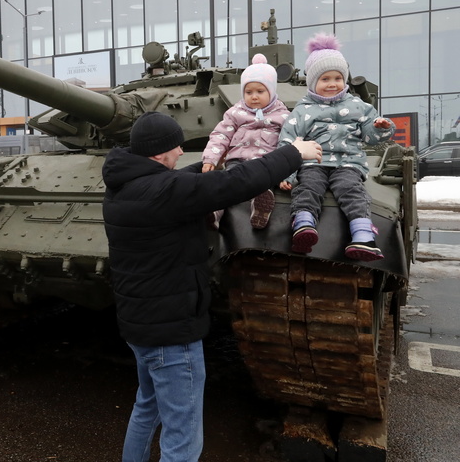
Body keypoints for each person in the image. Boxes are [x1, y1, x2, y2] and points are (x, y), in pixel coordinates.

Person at [102, 111, 322, 462]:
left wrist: (211, 165)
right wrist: (293, 153)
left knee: (147, 408)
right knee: (182, 437)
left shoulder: (124, 185)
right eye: (177, 147)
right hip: (171, 334)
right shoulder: (167, 191)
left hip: (141, 326)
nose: (180, 153)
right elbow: (234, 186)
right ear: (160, 152)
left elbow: (185, 183)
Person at [278, 33, 396, 261]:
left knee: (353, 192)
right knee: (308, 188)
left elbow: (371, 137)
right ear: (313, 82)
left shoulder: (357, 105)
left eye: (337, 78)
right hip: (314, 161)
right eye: (325, 79)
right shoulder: (303, 110)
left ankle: (363, 236)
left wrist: (380, 127)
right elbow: (289, 140)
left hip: (348, 163)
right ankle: (304, 225)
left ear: (345, 80)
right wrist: (288, 173)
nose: (332, 84)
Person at [201, 54, 291, 229]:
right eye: (248, 92)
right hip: (238, 160)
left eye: (260, 91)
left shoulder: (283, 116)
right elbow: (221, 135)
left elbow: (287, 143)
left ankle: (259, 208)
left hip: (266, 163)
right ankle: (214, 214)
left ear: (271, 91)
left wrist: (287, 172)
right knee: (226, 184)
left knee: (263, 184)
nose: (254, 97)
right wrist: (210, 158)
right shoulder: (235, 113)